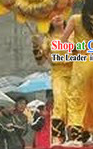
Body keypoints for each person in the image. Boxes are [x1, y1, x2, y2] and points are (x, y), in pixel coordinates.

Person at [60, 0, 93, 146]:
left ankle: (75, 138)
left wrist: (74, 48)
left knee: (76, 99)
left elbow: (63, 41)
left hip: (82, 63)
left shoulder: (75, 19)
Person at [32, 15, 73, 145]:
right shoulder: (48, 39)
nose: (57, 17)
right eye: (53, 15)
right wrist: (36, 47)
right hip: (59, 74)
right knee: (60, 102)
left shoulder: (73, 34)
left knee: (75, 105)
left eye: (60, 13)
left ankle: (78, 136)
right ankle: (58, 136)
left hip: (75, 73)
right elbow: (40, 61)